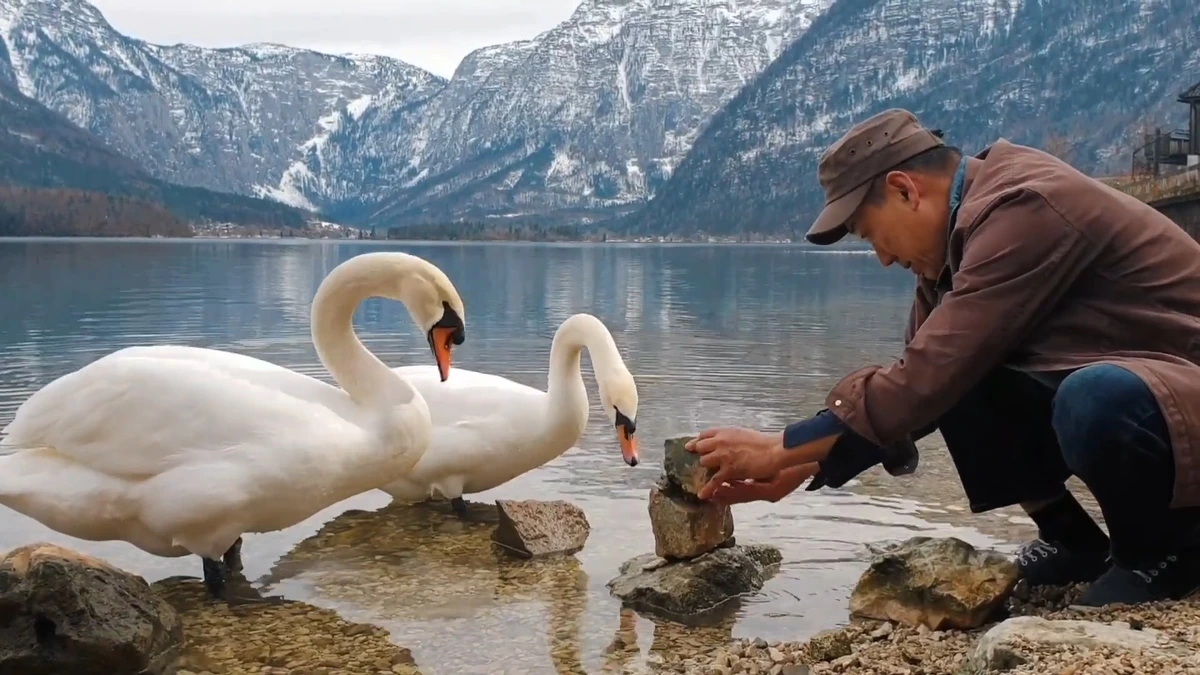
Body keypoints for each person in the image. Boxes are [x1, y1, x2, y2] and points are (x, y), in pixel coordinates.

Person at [686, 108, 1200, 607]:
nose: (883, 258)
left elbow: (922, 381)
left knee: (1093, 399)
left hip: (1182, 393)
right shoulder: (953, 252)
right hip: (1159, 394)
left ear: (905, 190)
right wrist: (801, 464)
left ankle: (1161, 554)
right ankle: (1075, 544)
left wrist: (779, 446)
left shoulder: (1024, 208)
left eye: (871, 235)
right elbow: (919, 390)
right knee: (966, 380)